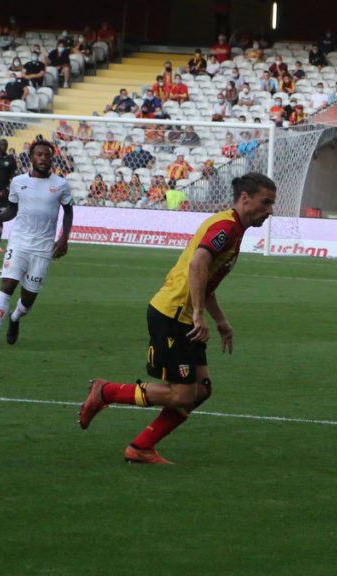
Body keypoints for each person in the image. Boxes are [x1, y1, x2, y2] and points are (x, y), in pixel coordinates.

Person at [79, 173, 277, 464]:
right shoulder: (226, 226)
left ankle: (141, 447)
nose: (270, 210)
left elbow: (204, 280)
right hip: (173, 315)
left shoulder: (234, 227)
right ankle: (106, 391)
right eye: (266, 202)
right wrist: (198, 314)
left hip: (183, 315)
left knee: (201, 391)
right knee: (183, 395)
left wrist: (220, 321)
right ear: (246, 199)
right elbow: (198, 264)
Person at [0, 140, 73, 349]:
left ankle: (15, 318)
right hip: (19, 243)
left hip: (43, 247)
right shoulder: (18, 182)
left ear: (52, 159)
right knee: (7, 285)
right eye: (39, 155)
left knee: (28, 299)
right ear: (32, 158)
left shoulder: (61, 184)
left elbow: (68, 211)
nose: (43, 158)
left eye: (47, 155)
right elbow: (11, 210)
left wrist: (64, 238)